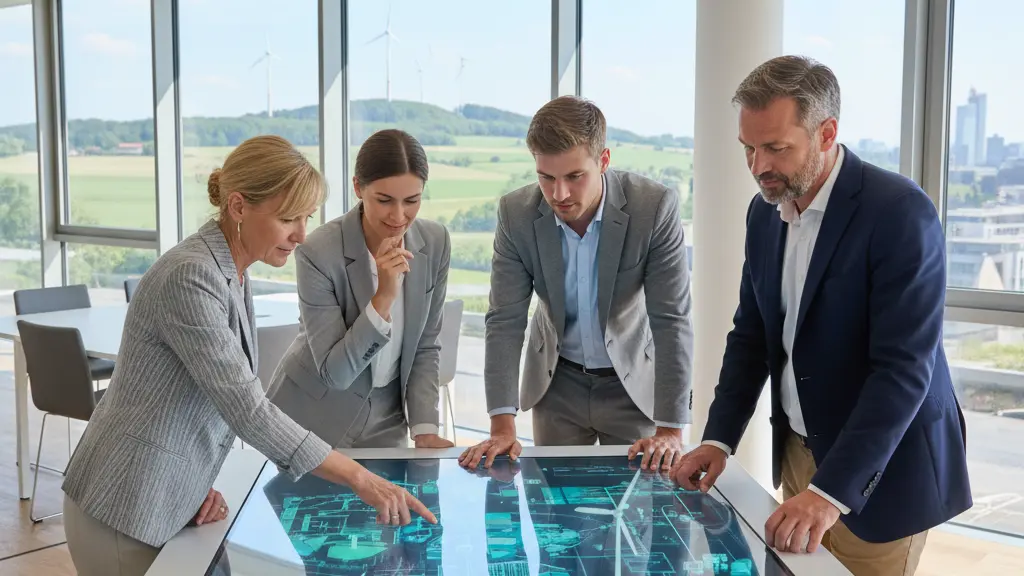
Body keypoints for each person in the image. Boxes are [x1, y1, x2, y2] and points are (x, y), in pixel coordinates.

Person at [60, 135, 436, 576]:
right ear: (238, 207)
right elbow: (248, 409)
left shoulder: (233, 268)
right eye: (287, 219)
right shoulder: (190, 277)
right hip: (124, 506)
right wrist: (360, 478)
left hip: (164, 497)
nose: (300, 235)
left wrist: (193, 482)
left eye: (306, 217)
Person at [670, 56, 972, 576]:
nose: (757, 165)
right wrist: (718, 439)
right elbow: (751, 335)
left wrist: (829, 492)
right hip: (800, 454)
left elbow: (903, 371)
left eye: (776, 148)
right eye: (748, 147)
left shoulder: (899, 212)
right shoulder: (764, 211)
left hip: (881, 471)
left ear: (826, 132)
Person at [458, 95, 694, 471]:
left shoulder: (654, 207)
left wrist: (670, 429)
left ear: (603, 160)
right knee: (557, 519)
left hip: (632, 386)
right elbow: (504, 320)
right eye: (546, 177)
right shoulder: (515, 214)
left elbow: (672, 319)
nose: (559, 194)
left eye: (574, 176)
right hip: (557, 386)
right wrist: (502, 424)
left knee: (636, 519)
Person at [267, 128, 453, 450]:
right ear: (358, 188)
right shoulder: (318, 251)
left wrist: (424, 428)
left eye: (412, 200)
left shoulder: (435, 243)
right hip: (311, 419)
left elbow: (425, 345)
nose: (399, 216)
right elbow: (336, 374)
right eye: (384, 200)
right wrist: (383, 297)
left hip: (387, 420)